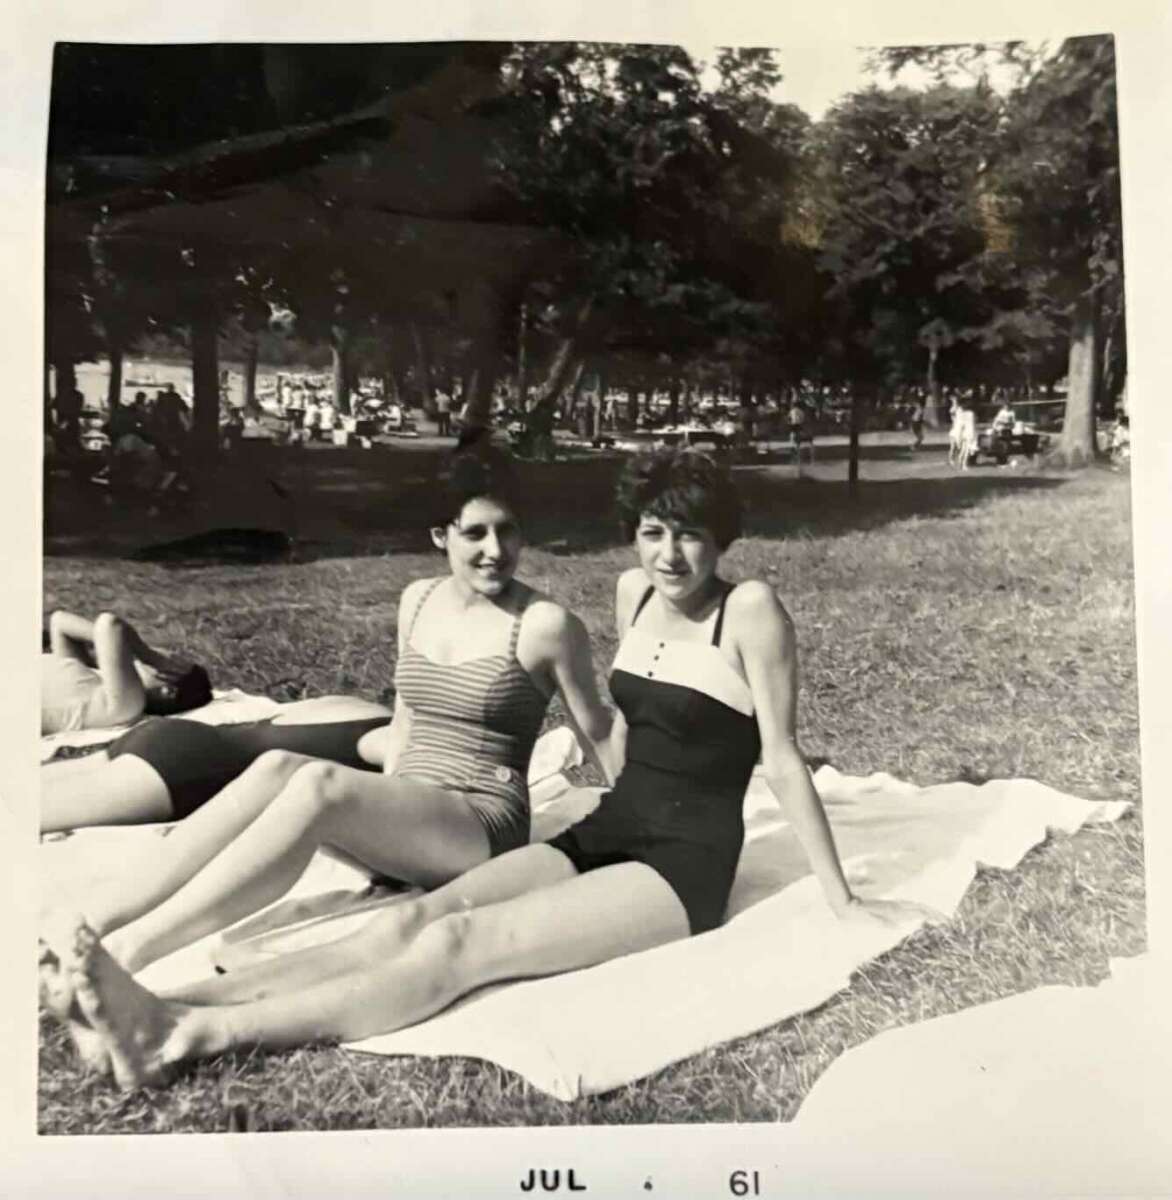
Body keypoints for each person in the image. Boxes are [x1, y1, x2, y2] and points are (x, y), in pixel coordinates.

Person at [42, 447, 933, 1089]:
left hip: (684, 864)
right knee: (418, 915)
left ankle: (186, 1035)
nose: (670, 556)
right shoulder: (633, 594)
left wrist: (843, 897)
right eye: (654, 532)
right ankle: (162, 995)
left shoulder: (753, 610)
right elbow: (621, 733)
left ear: (723, 541)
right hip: (611, 824)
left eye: (692, 537)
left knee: (459, 946)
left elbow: (778, 758)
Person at [42, 609, 211, 737]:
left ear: (168, 690)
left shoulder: (127, 706)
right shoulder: (94, 680)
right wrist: (112, 644)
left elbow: (110, 624)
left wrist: (150, 656)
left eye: (170, 659)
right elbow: (59, 621)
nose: (161, 651)